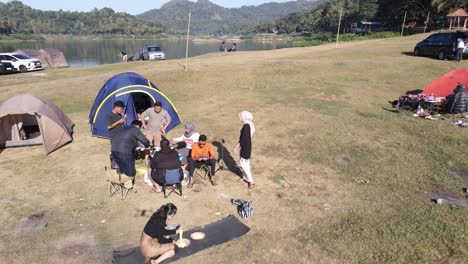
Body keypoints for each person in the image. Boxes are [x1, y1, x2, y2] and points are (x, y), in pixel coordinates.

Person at [233, 111, 255, 189]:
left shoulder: (246, 126)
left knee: (244, 164)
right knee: (245, 163)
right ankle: (245, 177)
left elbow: (243, 139)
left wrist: (236, 147)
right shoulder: (249, 123)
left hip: (245, 146)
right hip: (246, 145)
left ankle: (251, 181)